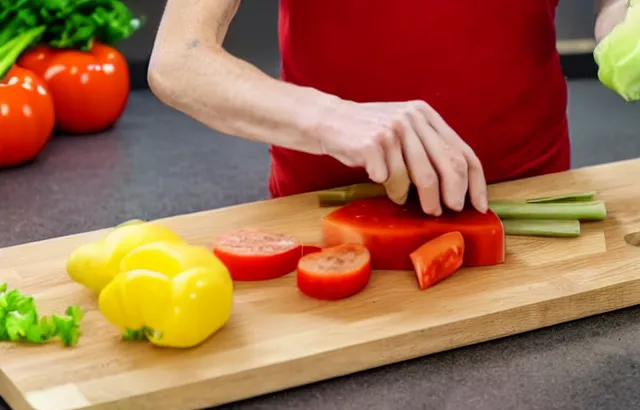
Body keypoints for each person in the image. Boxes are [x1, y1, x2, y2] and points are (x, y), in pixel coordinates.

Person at [148, 0, 629, 216]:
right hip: (331, 218)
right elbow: (179, 60)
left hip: (533, 208)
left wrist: (624, 28)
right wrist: (329, 117)